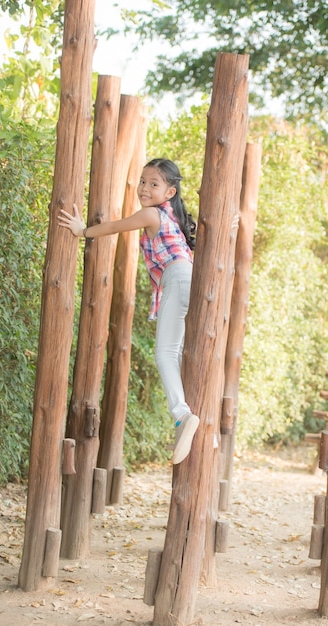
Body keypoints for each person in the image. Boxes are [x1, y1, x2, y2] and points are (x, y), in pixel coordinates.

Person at [58, 158, 199, 464]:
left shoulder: (151, 214)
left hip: (177, 278)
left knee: (164, 353)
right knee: (175, 353)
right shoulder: (176, 219)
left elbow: (116, 226)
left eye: (154, 184)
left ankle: (182, 415)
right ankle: (187, 422)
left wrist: (82, 231)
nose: (145, 188)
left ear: (170, 192)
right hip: (190, 280)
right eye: (143, 181)